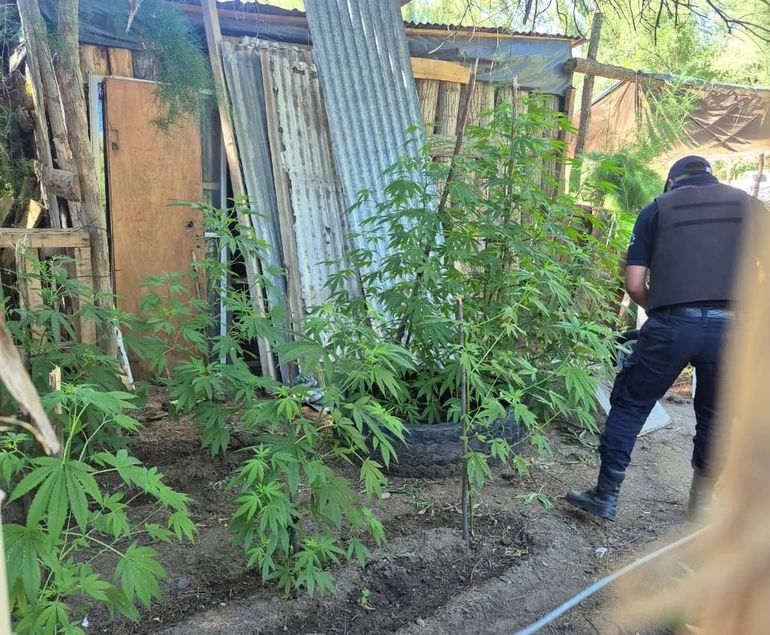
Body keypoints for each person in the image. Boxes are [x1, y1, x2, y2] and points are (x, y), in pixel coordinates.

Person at [565, 155, 761, 522]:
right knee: (717, 415)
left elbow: (634, 283)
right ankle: (702, 503)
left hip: (671, 324)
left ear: (671, 182)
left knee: (631, 404)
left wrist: (661, 309)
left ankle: (605, 496)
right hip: (731, 329)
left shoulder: (657, 208)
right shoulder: (751, 207)